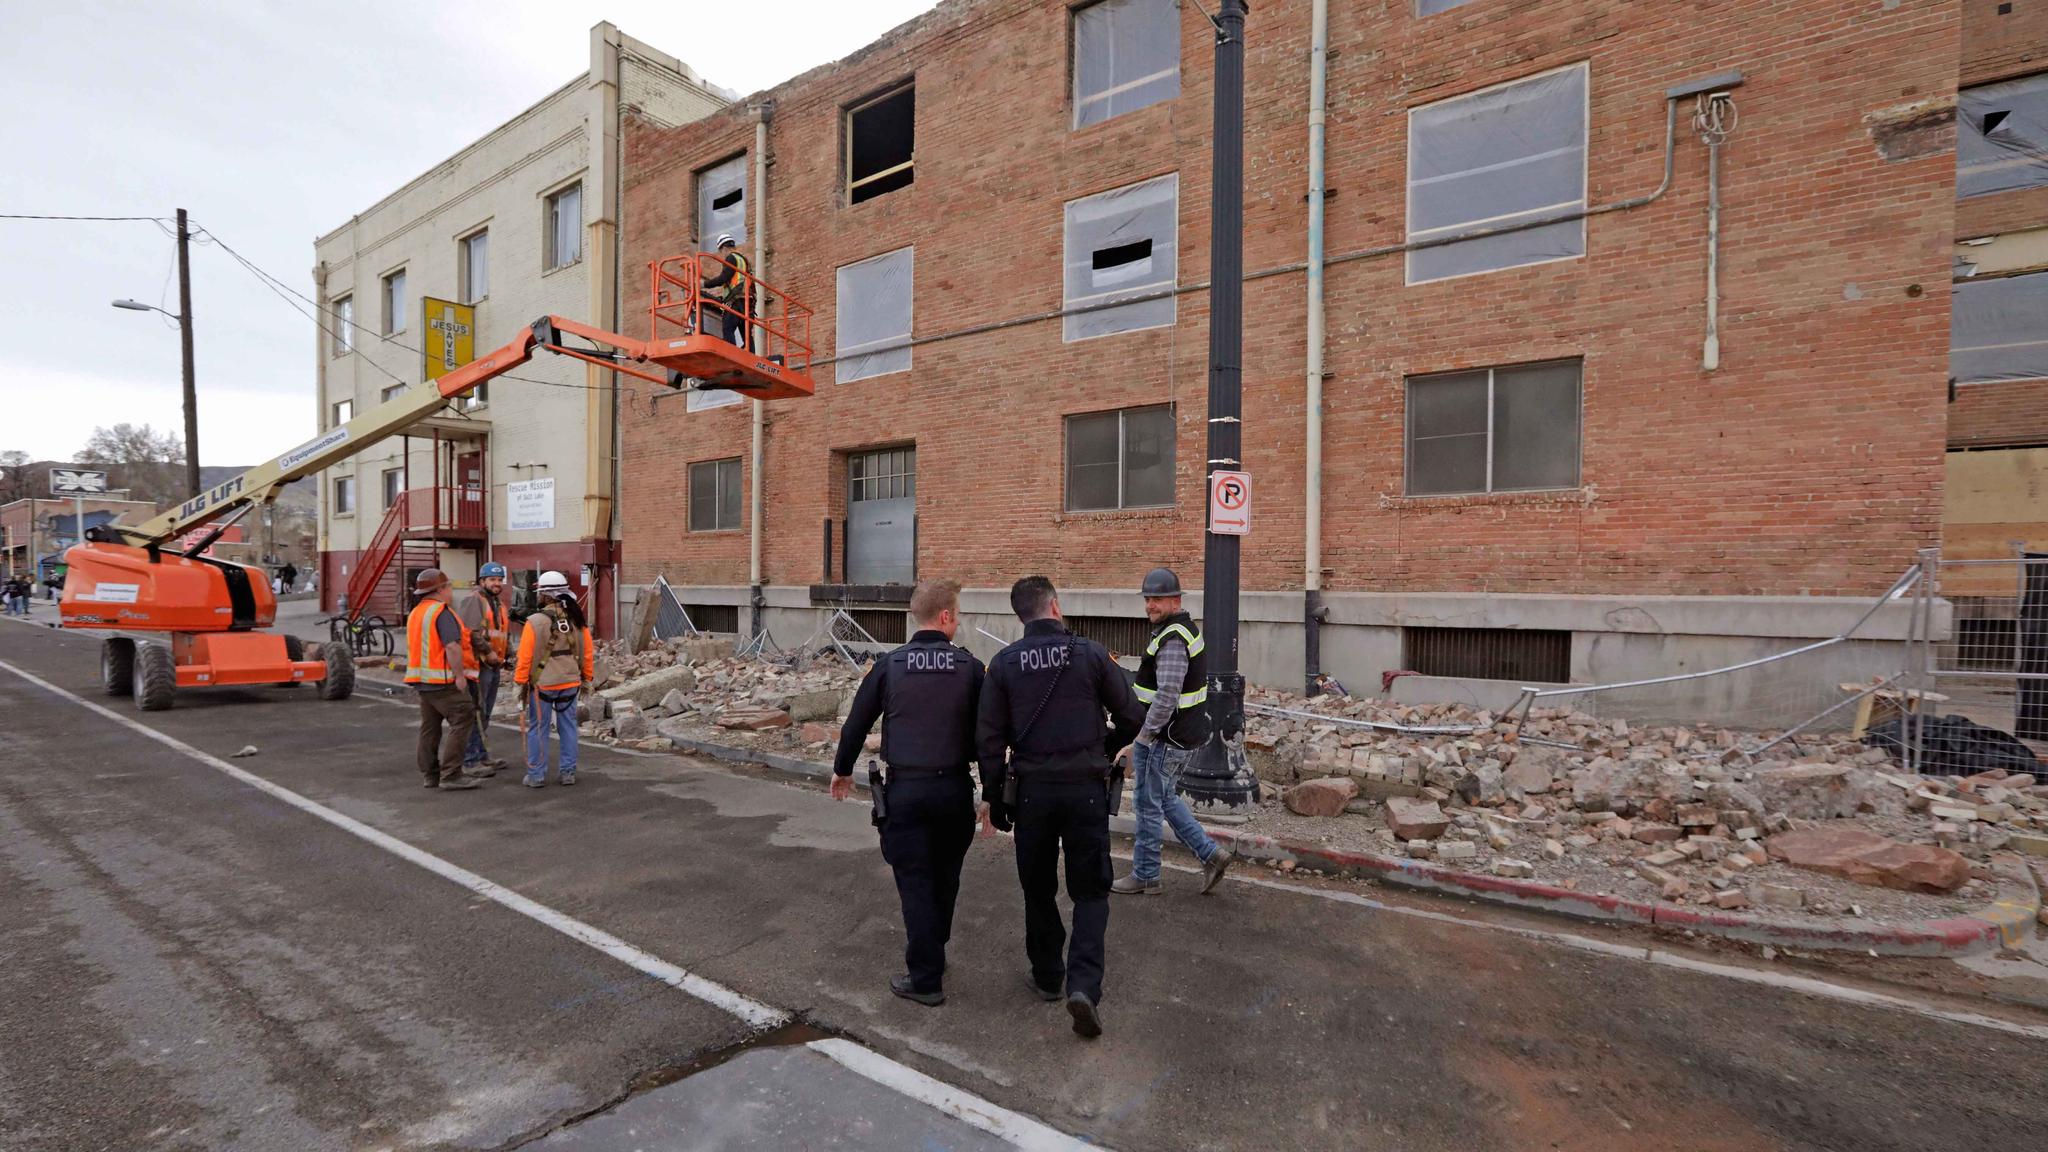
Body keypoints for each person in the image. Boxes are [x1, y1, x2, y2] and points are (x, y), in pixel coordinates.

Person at [978, 575, 1144, 1040]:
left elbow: (988, 740)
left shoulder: (1004, 663)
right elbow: (1132, 716)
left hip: (1031, 792)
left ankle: (1048, 976)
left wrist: (994, 797)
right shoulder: (1089, 653)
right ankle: (1085, 987)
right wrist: (1104, 747)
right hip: (1086, 788)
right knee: (1091, 891)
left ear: (1020, 616)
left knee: (1038, 887)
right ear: (1055, 606)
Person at [828, 578, 986, 1007]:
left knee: (915, 881)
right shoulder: (970, 668)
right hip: (954, 789)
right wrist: (991, 793)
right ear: (947, 616)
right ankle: (933, 952)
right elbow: (989, 736)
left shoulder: (890, 666)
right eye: (959, 615)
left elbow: (856, 724)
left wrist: (842, 770)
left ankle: (926, 977)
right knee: (946, 876)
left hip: (907, 793)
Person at [1113, 567, 1234, 897]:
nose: (1150, 605)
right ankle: (1211, 855)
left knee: (1147, 805)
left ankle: (1146, 874)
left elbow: (1166, 696)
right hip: (1182, 735)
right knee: (1164, 798)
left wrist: (1142, 737)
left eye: (1157, 599)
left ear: (1175, 600)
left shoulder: (1172, 638)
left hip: (1166, 738)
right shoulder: (1180, 629)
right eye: (1148, 599)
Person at [404, 568, 483, 791]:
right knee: (463, 719)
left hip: (422, 682)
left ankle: (430, 775)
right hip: (444, 682)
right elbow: (452, 646)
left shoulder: (416, 613)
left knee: (429, 728)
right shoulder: (442, 612)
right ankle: (452, 774)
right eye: (448, 587)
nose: (451, 591)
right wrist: (460, 676)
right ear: (440, 589)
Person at [513, 570, 594, 788]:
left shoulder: (534, 622)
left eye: (540, 592)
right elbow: (587, 652)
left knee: (538, 728)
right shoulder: (577, 618)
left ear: (546, 595)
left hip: (543, 685)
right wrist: (587, 677)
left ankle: (537, 775)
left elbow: (525, 656)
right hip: (570, 682)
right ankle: (568, 772)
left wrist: (520, 683)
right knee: (568, 727)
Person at [457, 562, 514, 778]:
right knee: (477, 713)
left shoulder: (497, 603)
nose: (497, 583)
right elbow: (469, 632)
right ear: (482, 581)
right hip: (480, 664)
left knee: (486, 713)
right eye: (493, 580)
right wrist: (488, 651)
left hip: (494, 664)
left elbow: (500, 632)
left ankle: (481, 755)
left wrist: (508, 652)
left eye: (499, 580)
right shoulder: (475, 600)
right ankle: (470, 760)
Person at [699, 233, 752, 349]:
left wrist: (703, 284)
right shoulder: (743, 260)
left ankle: (731, 352)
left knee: (727, 328)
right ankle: (751, 355)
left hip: (736, 300)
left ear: (723, 248)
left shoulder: (731, 258)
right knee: (746, 335)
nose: (722, 254)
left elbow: (724, 278)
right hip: (747, 302)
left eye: (721, 251)